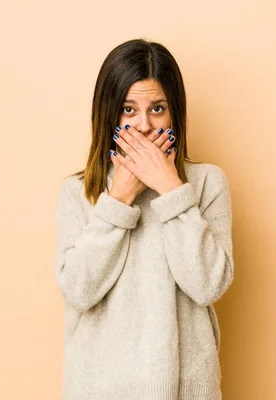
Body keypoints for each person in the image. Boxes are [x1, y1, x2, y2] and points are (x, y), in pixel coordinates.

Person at [53, 38, 235, 400]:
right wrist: (118, 199)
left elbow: (209, 285)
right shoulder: (79, 192)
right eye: (128, 109)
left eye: (157, 108)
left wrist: (171, 189)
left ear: (175, 114)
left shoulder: (206, 183)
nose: (144, 125)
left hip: (187, 391)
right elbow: (78, 290)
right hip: (99, 389)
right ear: (109, 113)